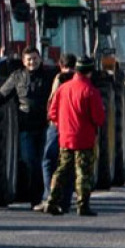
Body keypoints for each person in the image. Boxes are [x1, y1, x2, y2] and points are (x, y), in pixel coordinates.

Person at [0, 47, 57, 208]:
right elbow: (1, 96)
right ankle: (35, 197)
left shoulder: (50, 76)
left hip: (45, 126)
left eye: (34, 59)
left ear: (40, 59)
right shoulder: (17, 77)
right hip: (26, 127)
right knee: (30, 162)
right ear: (23, 61)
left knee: (46, 160)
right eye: (29, 60)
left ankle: (48, 196)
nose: (32, 62)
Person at [45, 56, 105, 216]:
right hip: (84, 138)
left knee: (62, 170)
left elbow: (52, 112)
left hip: (65, 137)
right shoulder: (91, 91)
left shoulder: (63, 89)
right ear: (90, 72)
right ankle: (82, 205)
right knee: (83, 172)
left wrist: (62, 124)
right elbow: (99, 118)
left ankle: (51, 201)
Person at [35, 53, 76, 212]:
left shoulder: (59, 79)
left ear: (60, 64)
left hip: (58, 125)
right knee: (68, 162)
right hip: (75, 128)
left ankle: (49, 196)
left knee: (48, 160)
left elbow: (53, 101)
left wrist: (51, 118)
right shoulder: (83, 81)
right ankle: (65, 200)